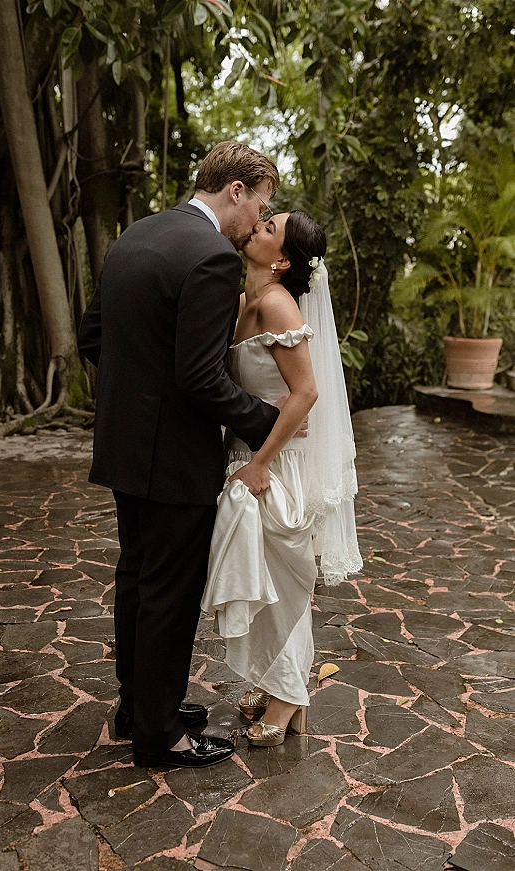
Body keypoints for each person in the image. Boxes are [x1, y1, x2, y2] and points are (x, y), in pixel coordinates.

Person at [77, 142, 290, 769]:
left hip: (123, 445)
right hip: (174, 458)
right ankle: (160, 734)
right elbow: (201, 378)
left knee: (138, 580)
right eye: (261, 205)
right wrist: (264, 421)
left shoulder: (136, 236)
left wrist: (138, 397)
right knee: (169, 592)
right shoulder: (213, 258)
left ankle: (137, 706)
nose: (258, 222)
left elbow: (95, 336)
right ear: (235, 190)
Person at [201, 210, 363, 746]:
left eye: (271, 227)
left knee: (284, 588)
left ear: (285, 259)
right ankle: (275, 686)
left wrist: (262, 462)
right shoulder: (247, 299)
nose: (258, 227)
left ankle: (292, 695)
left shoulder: (274, 304)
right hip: (249, 456)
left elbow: (307, 392)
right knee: (263, 583)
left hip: (275, 466)